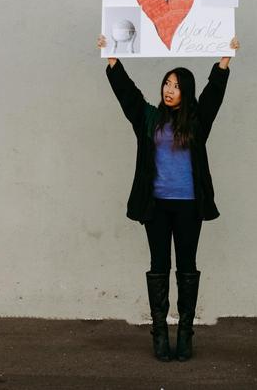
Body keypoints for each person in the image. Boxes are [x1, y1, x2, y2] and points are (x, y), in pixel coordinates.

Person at [95, 33, 240, 362]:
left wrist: (224, 62)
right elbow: (129, 96)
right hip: (155, 206)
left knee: (187, 267)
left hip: (189, 207)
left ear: (185, 91)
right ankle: (160, 333)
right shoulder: (149, 119)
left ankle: (185, 333)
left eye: (175, 85)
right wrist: (113, 60)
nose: (169, 89)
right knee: (159, 266)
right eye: (166, 83)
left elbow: (213, 95)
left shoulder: (197, 121)